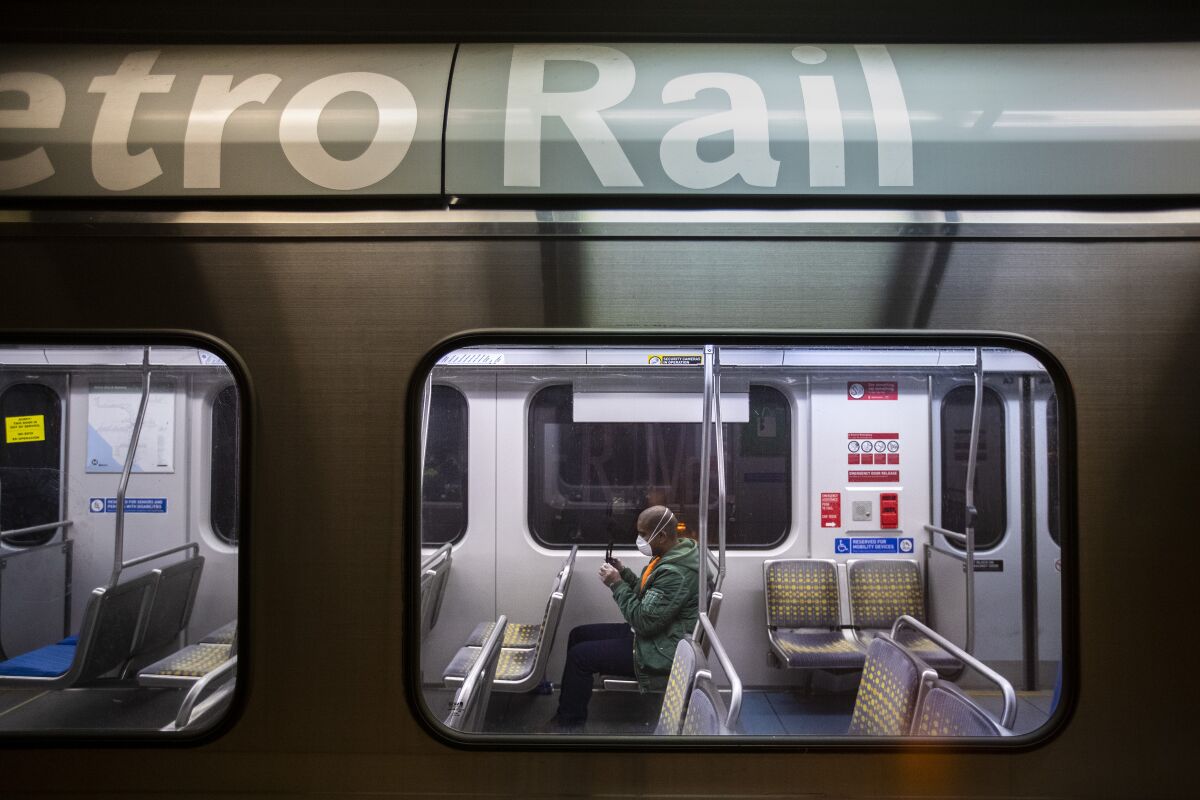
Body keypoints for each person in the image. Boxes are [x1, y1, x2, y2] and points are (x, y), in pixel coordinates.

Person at [549, 505, 700, 731]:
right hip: (659, 634)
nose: (639, 539)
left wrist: (616, 583)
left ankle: (568, 726)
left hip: (661, 648)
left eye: (643, 534)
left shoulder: (675, 573)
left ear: (662, 535)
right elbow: (649, 594)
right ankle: (567, 712)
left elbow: (643, 621)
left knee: (580, 657)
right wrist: (625, 573)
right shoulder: (670, 555)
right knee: (578, 635)